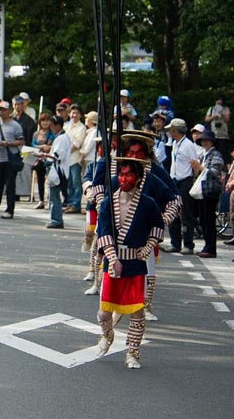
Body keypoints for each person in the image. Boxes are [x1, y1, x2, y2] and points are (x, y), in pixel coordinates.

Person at [95, 157, 164, 369]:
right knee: (104, 312)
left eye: (129, 174)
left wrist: (148, 246)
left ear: (138, 178)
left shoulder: (147, 203)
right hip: (113, 261)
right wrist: (112, 258)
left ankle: (133, 352)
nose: (124, 179)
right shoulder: (108, 202)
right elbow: (104, 232)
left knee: (137, 311)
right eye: (121, 174)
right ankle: (107, 335)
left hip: (135, 262)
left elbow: (157, 227)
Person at [163, 118, 198, 253]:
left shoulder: (188, 145)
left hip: (185, 180)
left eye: (171, 130)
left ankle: (188, 244)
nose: (169, 133)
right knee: (173, 211)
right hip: (174, 180)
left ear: (175, 130)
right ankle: (175, 242)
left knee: (186, 213)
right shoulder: (175, 144)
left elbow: (195, 164)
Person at [192, 130, 225, 258]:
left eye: (207, 140)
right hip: (203, 191)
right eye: (203, 140)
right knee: (203, 220)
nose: (204, 142)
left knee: (209, 221)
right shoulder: (204, 155)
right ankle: (207, 246)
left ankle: (211, 249)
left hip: (211, 191)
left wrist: (200, 167)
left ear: (212, 142)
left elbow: (215, 172)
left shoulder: (215, 154)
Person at [40, 115, 70, 229]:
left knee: (54, 196)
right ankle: (55, 218)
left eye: (52, 125)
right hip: (58, 169)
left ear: (58, 126)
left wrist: (43, 155)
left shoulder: (61, 138)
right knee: (53, 195)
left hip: (58, 170)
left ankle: (56, 220)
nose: (50, 127)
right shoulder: (61, 137)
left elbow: (57, 155)